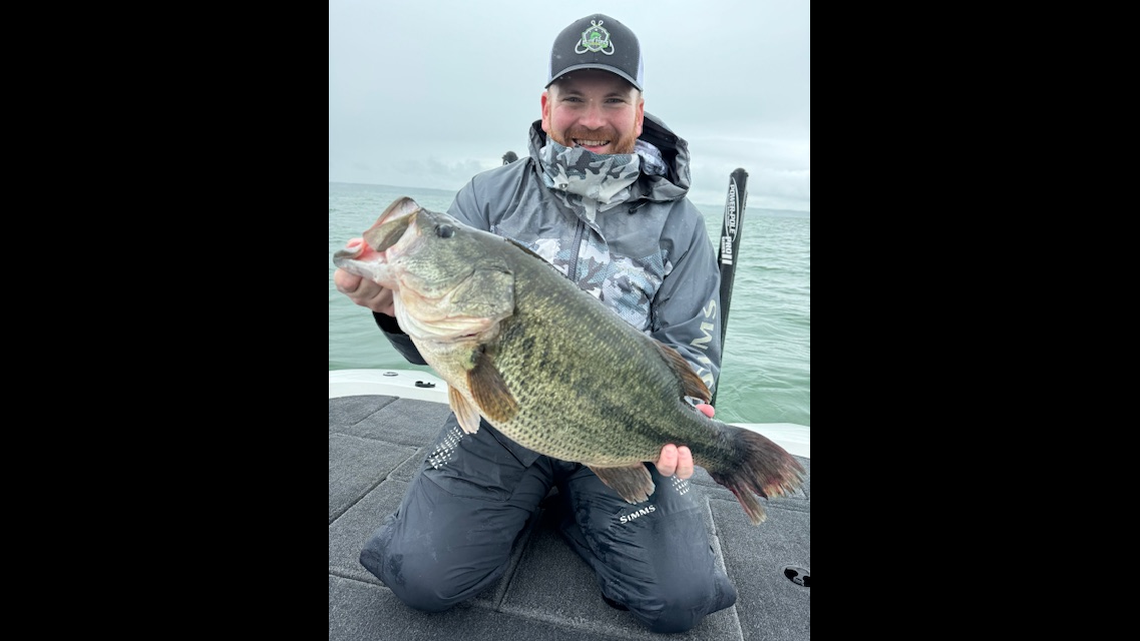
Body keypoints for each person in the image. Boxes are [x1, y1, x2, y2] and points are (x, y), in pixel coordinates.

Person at [333, 13, 733, 634]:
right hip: (499, 422)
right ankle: (528, 494)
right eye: (573, 99)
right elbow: (444, 344)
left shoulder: (682, 226)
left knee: (680, 601)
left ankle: (576, 504)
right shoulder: (487, 200)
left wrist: (693, 423)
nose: (592, 119)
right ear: (546, 106)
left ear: (639, 108)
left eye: (612, 100)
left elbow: (688, 352)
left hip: (619, 430)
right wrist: (390, 305)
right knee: (421, 577)